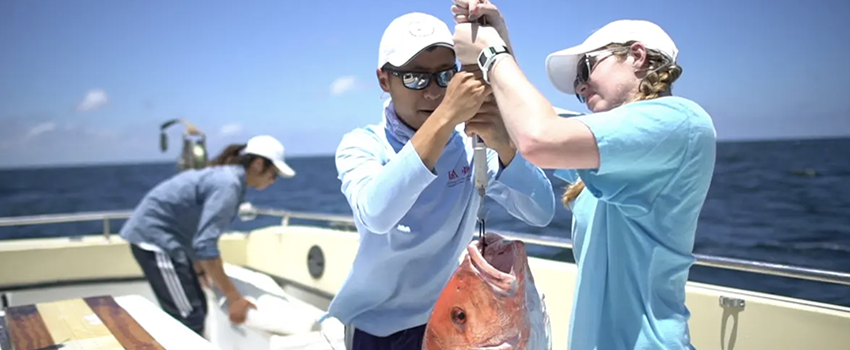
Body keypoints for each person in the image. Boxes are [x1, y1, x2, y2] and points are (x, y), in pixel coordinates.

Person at [450, 2, 717, 349]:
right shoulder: (611, 146)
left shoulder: (679, 122)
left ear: (636, 56)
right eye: (578, 83)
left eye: (586, 68)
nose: (580, 86)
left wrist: (490, 53)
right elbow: (523, 117)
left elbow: (538, 137)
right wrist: (497, 35)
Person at [319, 12, 556, 350]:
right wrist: (447, 117)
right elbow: (377, 213)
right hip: (375, 326)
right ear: (384, 80)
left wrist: (504, 145)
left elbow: (542, 212)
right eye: (416, 78)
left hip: (451, 317)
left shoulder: (471, 145)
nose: (433, 92)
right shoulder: (362, 144)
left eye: (445, 76)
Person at [118, 135, 297, 336]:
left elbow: (194, 227)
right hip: (155, 241)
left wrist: (201, 270)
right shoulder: (228, 185)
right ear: (258, 164)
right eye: (274, 174)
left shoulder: (229, 179)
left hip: (173, 242)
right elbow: (205, 245)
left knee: (196, 308)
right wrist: (234, 298)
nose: (273, 180)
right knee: (188, 317)